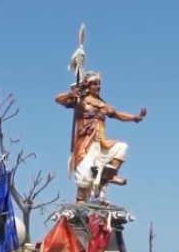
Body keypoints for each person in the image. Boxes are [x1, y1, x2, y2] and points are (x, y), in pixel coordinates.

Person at [55, 71, 146, 202]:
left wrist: (134, 118)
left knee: (121, 147)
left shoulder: (103, 105)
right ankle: (80, 201)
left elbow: (118, 114)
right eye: (95, 84)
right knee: (85, 173)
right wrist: (71, 94)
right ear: (88, 86)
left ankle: (109, 175)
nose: (98, 87)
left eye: (99, 84)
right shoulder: (80, 100)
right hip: (85, 143)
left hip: (100, 143)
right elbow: (58, 99)